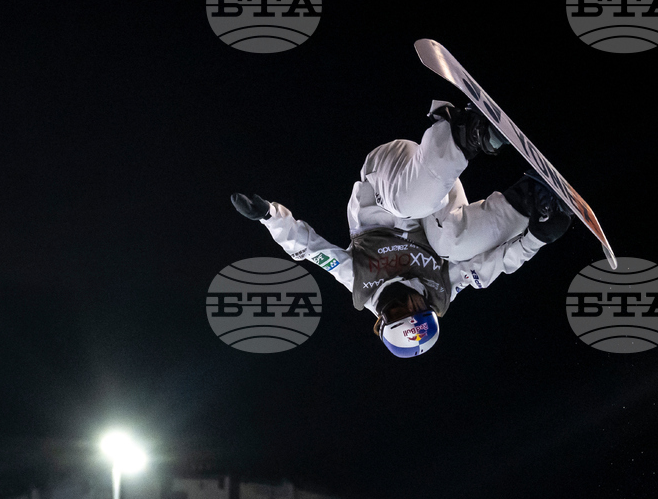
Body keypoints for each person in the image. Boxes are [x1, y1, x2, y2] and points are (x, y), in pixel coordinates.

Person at [230, 101, 573, 358]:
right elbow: (490, 267)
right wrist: (536, 239)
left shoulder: (358, 280)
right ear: (422, 310)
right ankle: (531, 200)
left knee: (413, 203)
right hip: (436, 199)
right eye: (408, 310)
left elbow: (310, 249)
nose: (398, 305)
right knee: (456, 245)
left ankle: (462, 131)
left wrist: (269, 215)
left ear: (380, 323)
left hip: (387, 181)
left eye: (393, 314)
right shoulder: (439, 290)